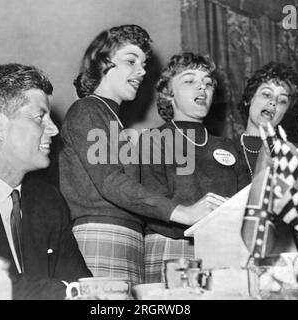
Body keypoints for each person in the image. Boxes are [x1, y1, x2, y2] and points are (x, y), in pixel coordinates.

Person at [59, 26, 217, 285]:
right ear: (102, 63)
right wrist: (183, 213)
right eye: (131, 61)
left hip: (128, 237)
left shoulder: (113, 119)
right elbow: (111, 181)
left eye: (143, 64)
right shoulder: (87, 110)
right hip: (103, 233)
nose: (142, 71)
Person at [0, 63, 92, 300]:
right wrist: (66, 292)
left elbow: (78, 282)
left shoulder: (49, 201)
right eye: (39, 118)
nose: (54, 130)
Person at [139, 52, 249, 283]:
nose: (202, 88)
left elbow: (245, 204)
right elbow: (151, 204)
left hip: (224, 250)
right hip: (171, 246)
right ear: (168, 94)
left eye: (207, 83)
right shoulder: (153, 140)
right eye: (189, 81)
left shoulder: (229, 147)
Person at [237, 62, 298, 181]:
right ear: (249, 99)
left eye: (282, 101)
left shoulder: (295, 154)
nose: (273, 102)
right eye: (266, 94)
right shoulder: (224, 149)